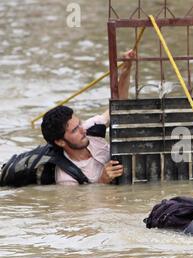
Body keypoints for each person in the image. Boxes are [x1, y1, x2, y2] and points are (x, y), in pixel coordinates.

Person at [40, 49, 136, 185]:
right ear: (60, 142)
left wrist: (127, 67)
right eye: (74, 130)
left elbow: (118, 107)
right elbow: (83, 204)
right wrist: (102, 181)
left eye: (79, 123)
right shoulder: (66, 178)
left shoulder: (90, 129)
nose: (82, 129)